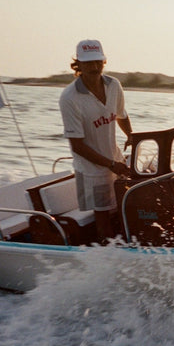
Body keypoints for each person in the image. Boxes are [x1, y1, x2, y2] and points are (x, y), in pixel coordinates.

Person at [58, 39, 134, 241]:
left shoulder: (114, 85)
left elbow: (121, 115)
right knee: (103, 218)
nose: (93, 67)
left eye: (97, 62)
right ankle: (108, 256)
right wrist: (110, 165)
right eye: (88, 63)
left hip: (116, 159)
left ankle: (129, 246)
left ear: (103, 62)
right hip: (91, 170)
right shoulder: (69, 98)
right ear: (78, 65)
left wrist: (131, 136)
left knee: (126, 206)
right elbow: (77, 146)